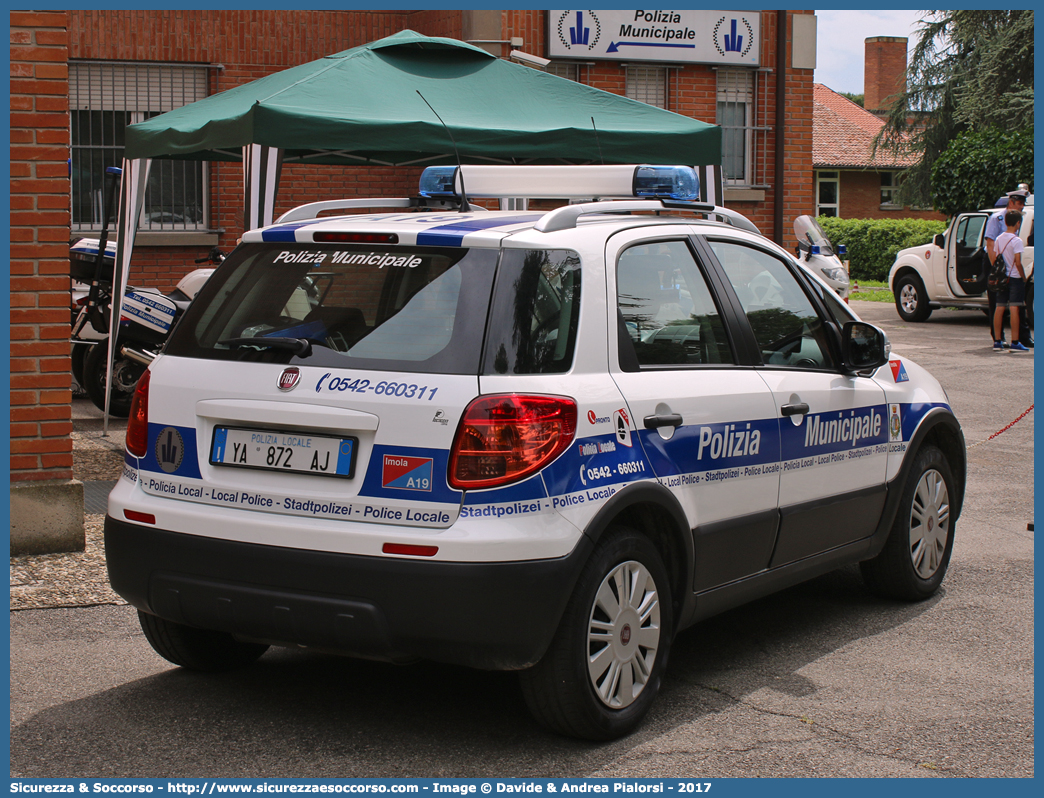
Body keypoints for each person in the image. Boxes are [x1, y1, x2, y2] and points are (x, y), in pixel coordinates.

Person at [985, 188, 1029, 348]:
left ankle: (1020, 337)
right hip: (998, 264)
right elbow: (990, 245)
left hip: (1004, 262)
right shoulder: (996, 218)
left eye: (1023, 204)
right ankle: (1001, 337)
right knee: (1003, 304)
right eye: (1019, 204)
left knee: (1002, 305)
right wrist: (997, 269)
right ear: (1011, 202)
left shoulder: (1017, 218)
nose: (1021, 207)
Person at [992, 209, 1030, 353]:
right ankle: (1015, 342)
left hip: (1001, 278)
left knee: (999, 307)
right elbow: (1018, 262)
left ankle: (997, 341)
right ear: (1018, 223)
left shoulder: (999, 238)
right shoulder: (1017, 240)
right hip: (1014, 277)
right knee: (1014, 308)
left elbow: (996, 258)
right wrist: (1023, 277)